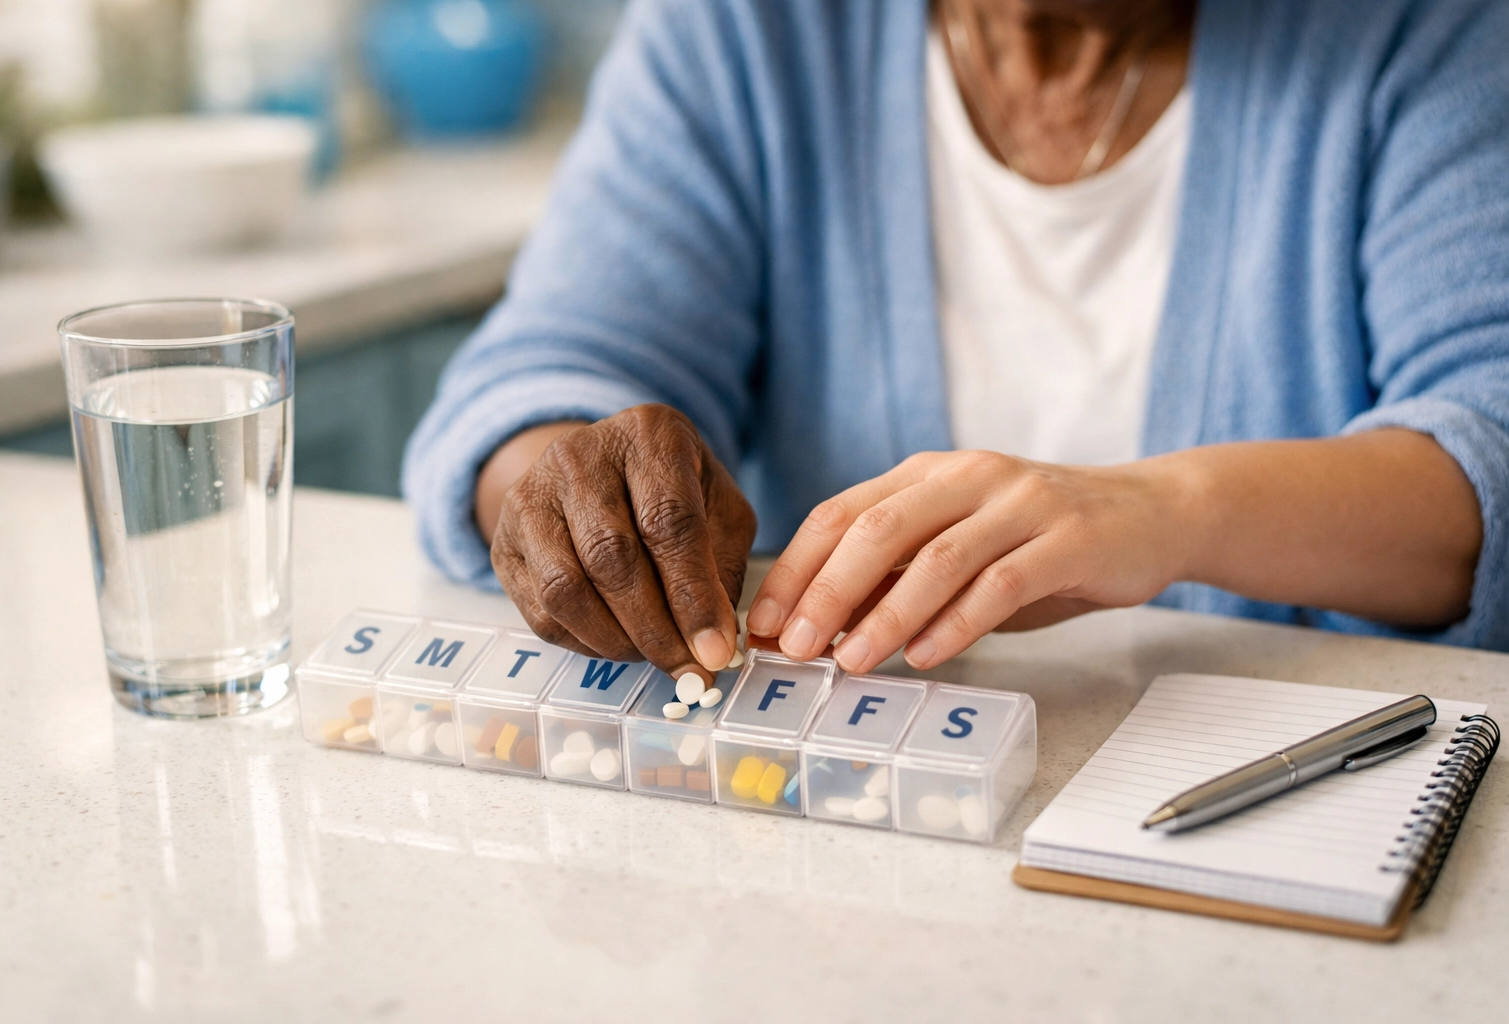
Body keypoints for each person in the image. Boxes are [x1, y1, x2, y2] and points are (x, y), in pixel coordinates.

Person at [403, 0, 1509, 684]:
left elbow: (1488, 450)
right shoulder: (742, 28)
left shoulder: (1428, 30)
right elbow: (543, 372)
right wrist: (571, 485)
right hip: (841, 822)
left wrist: (1166, 511)